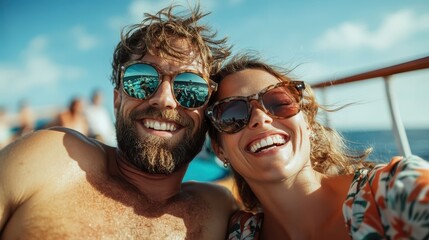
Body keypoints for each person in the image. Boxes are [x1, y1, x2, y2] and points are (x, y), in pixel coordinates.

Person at [0, 4, 237, 239]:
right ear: (117, 100)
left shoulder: (220, 209)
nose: (164, 99)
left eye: (190, 87)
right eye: (141, 78)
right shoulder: (50, 161)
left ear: (207, 110)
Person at [206, 53, 429, 239]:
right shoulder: (237, 233)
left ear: (309, 124)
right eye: (232, 114)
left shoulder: (393, 192)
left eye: (279, 102)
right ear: (219, 149)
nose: (260, 118)